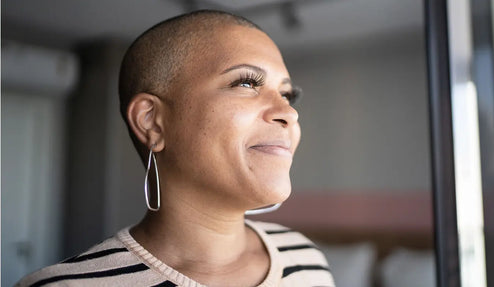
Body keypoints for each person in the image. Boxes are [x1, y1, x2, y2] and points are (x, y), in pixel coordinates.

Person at [17, 10, 334, 287]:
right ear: (152, 122)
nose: (290, 113)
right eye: (247, 83)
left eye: (287, 95)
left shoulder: (306, 258)